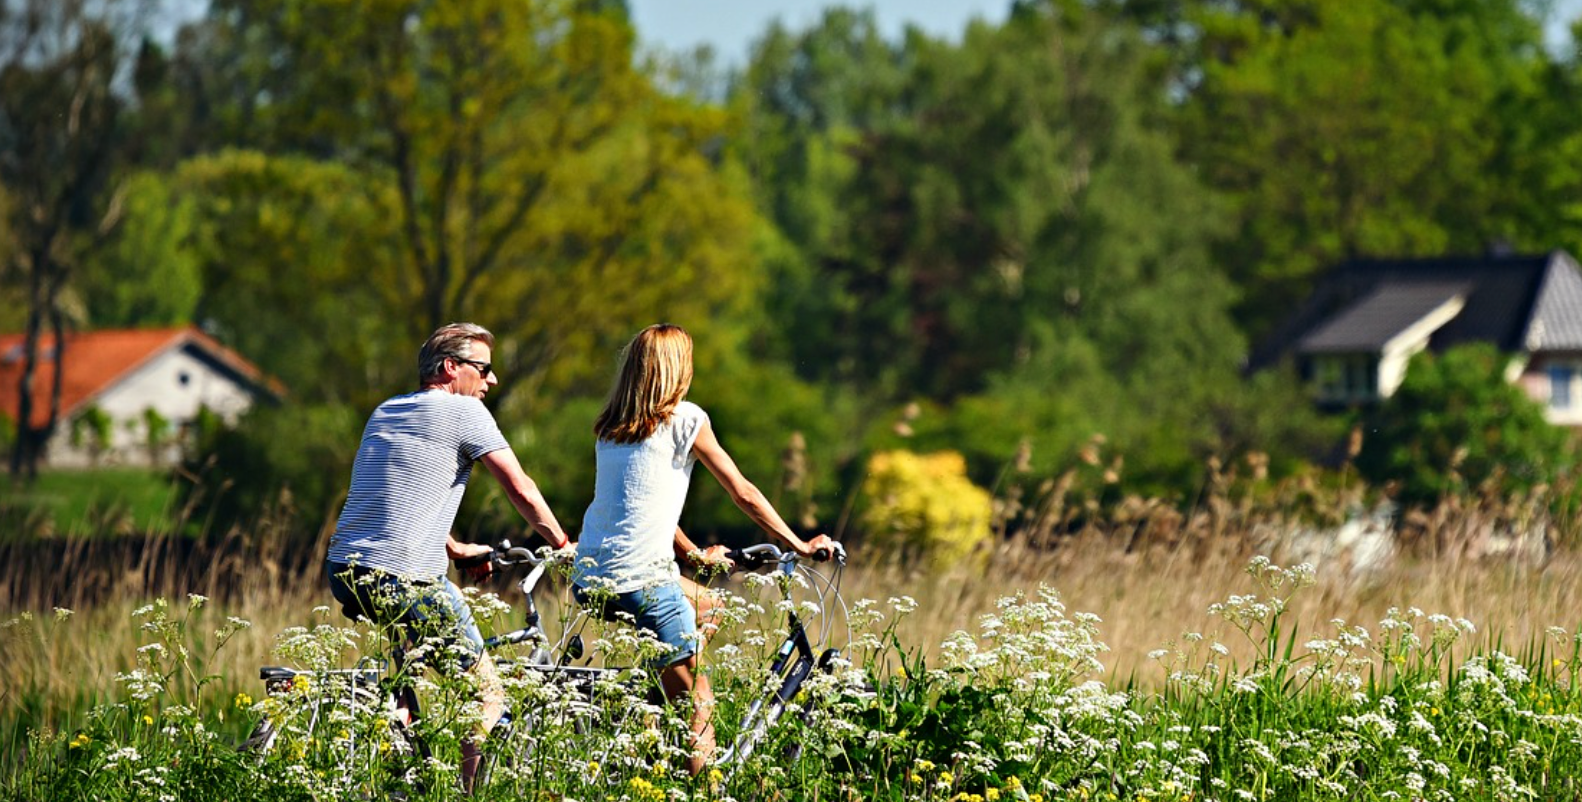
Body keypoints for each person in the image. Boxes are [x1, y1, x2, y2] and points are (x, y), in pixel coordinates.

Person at [572, 323, 835, 775]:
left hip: (591, 574)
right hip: (643, 580)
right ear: (677, 370)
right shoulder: (687, 419)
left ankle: (656, 708)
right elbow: (743, 492)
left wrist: (692, 554)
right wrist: (799, 543)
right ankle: (702, 781)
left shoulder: (611, 428)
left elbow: (639, 506)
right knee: (700, 701)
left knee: (709, 603)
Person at [325, 322, 572, 793]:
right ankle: (467, 793)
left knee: (405, 680)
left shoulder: (385, 411)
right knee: (486, 695)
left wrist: (455, 548)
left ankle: (399, 759)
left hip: (345, 568)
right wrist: (562, 544)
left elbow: (395, 497)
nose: (491, 381)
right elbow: (520, 488)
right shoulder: (465, 413)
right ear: (450, 369)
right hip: (403, 575)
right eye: (483, 369)